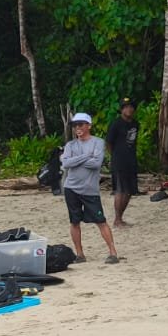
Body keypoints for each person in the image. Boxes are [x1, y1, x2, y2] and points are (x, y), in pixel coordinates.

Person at [62, 112, 121, 264]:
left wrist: (75, 161)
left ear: (88, 125)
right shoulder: (70, 145)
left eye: (81, 124)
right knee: (74, 222)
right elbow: (66, 163)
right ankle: (80, 254)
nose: (77, 128)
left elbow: (96, 163)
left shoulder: (98, 142)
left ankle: (113, 252)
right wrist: (86, 156)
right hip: (71, 188)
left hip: (90, 190)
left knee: (100, 220)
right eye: (75, 125)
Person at [106, 98, 140, 228]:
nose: (129, 109)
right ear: (121, 109)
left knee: (130, 190)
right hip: (119, 161)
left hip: (131, 159)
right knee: (120, 190)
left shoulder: (135, 124)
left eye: (131, 107)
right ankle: (117, 219)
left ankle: (120, 217)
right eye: (125, 107)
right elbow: (109, 143)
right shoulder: (116, 124)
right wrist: (114, 156)